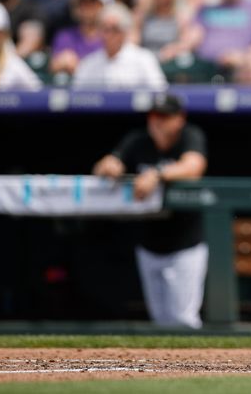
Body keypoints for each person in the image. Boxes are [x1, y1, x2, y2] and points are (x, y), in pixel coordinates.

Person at [92, 93, 209, 328]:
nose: (158, 121)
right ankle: (168, 367)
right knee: (160, 321)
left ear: (179, 118)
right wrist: (108, 166)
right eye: (155, 115)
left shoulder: (189, 135)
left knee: (184, 320)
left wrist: (157, 174)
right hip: (148, 244)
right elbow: (105, 164)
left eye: (165, 116)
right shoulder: (137, 140)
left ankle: (196, 365)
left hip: (185, 245)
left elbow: (194, 166)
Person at [71, 2, 168, 90]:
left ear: (124, 32)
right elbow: (76, 97)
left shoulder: (143, 59)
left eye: (114, 29)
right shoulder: (88, 63)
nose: (108, 35)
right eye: (104, 29)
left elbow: (160, 93)